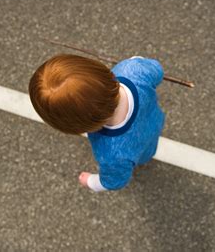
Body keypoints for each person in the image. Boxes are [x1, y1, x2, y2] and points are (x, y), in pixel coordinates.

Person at [28, 54, 165, 191]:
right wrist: (136, 59)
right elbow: (157, 70)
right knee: (149, 148)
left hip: (139, 147)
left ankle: (143, 160)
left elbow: (114, 181)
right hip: (154, 122)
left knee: (141, 155)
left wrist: (91, 182)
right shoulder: (131, 70)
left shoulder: (111, 154)